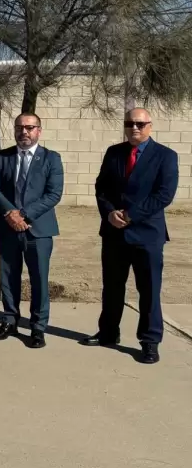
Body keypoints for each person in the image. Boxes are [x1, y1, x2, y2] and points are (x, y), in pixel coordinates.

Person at [81, 108, 179, 364]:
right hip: (114, 232)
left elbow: (164, 195)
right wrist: (110, 213)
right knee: (112, 287)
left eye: (140, 123)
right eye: (129, 123)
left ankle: (149, 341)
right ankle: (108, 333)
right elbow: (101, 187)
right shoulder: (114, 153)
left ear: (150, 126)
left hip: (147, 234)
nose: (134, 128)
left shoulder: (166, 156)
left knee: (148, 290)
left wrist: (131, 215)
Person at [0, 113, 64, 348]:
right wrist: (11, 213)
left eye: (30, 127)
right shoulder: (2, 157)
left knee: (39, 278)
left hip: (38, 229)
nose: (24, 132)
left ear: (39, 130)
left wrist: (25, 215)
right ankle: (9, 320)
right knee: (8, 276)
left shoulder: (51, 158)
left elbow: (54, 194)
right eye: (20, 127)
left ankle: (38, 327)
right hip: (8, 227)